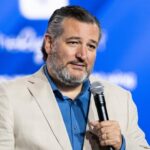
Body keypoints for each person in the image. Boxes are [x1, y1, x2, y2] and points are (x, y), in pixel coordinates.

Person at [0, 5, 149, 150]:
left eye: (91, 46)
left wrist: (121, 144)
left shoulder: (121, 99)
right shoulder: (9, 96)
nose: (82, 55)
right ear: (49, 44)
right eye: (73, 42)